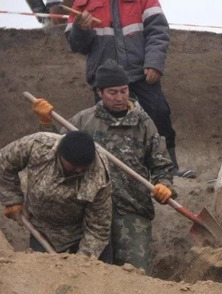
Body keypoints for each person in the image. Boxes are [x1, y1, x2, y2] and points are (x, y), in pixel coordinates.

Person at [33, 59, 175, 275]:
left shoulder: (144, 123)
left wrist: (164, 186)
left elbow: (161, 164)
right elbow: (55, 153)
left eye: (124, 91)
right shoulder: (82, 121)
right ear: (100, 92)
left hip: (131, 209)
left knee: (137, 275)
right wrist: (46, 124)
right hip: (88, 210)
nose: (120, 98)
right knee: (92, 274)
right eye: (112, 92)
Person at [64, 0, 196, 178]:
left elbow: (158, 31)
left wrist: (154, 63)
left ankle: (169, 169)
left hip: (141, 72)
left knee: (160, 115)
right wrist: (81, 29)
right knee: (107, 127)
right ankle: (110, 174)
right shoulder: (81, 3)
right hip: (105, 79)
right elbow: (76, 45)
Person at [0, 131, 112, 259]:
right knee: (41, 275)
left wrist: (82, 262)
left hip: (81, 232)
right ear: (61, 155)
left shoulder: (99, 175)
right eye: (74, 166)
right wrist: (12, 199)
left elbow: (98, 228)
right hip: (43, 230)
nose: (79, 170)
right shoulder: (39, 145)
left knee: (96, 275)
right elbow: (4, 164)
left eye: (84, 168)